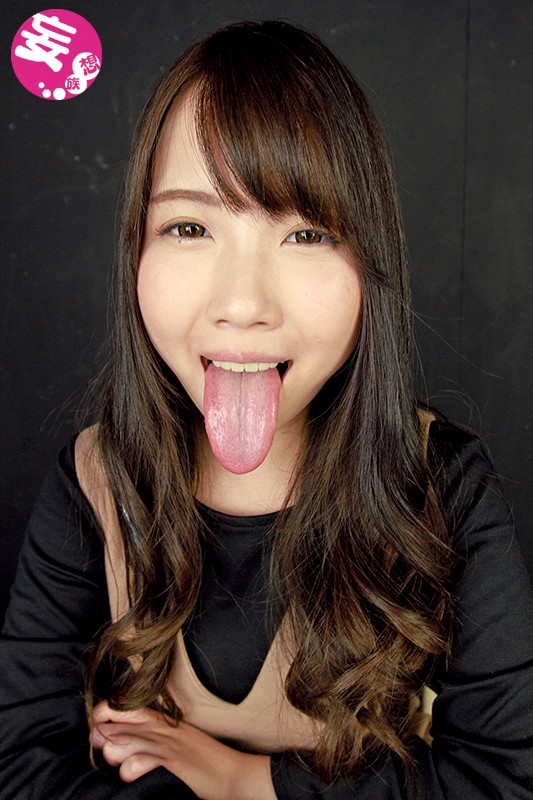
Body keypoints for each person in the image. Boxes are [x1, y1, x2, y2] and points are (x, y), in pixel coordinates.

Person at [1, 19, 532, 800]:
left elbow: (498, 778)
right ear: (135, 250)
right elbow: (23, 768)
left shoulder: (443, 487)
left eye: (307, 233)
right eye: (189, 227)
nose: (244, 303)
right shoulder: (93, 484)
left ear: (370, 262)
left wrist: (244, 781)